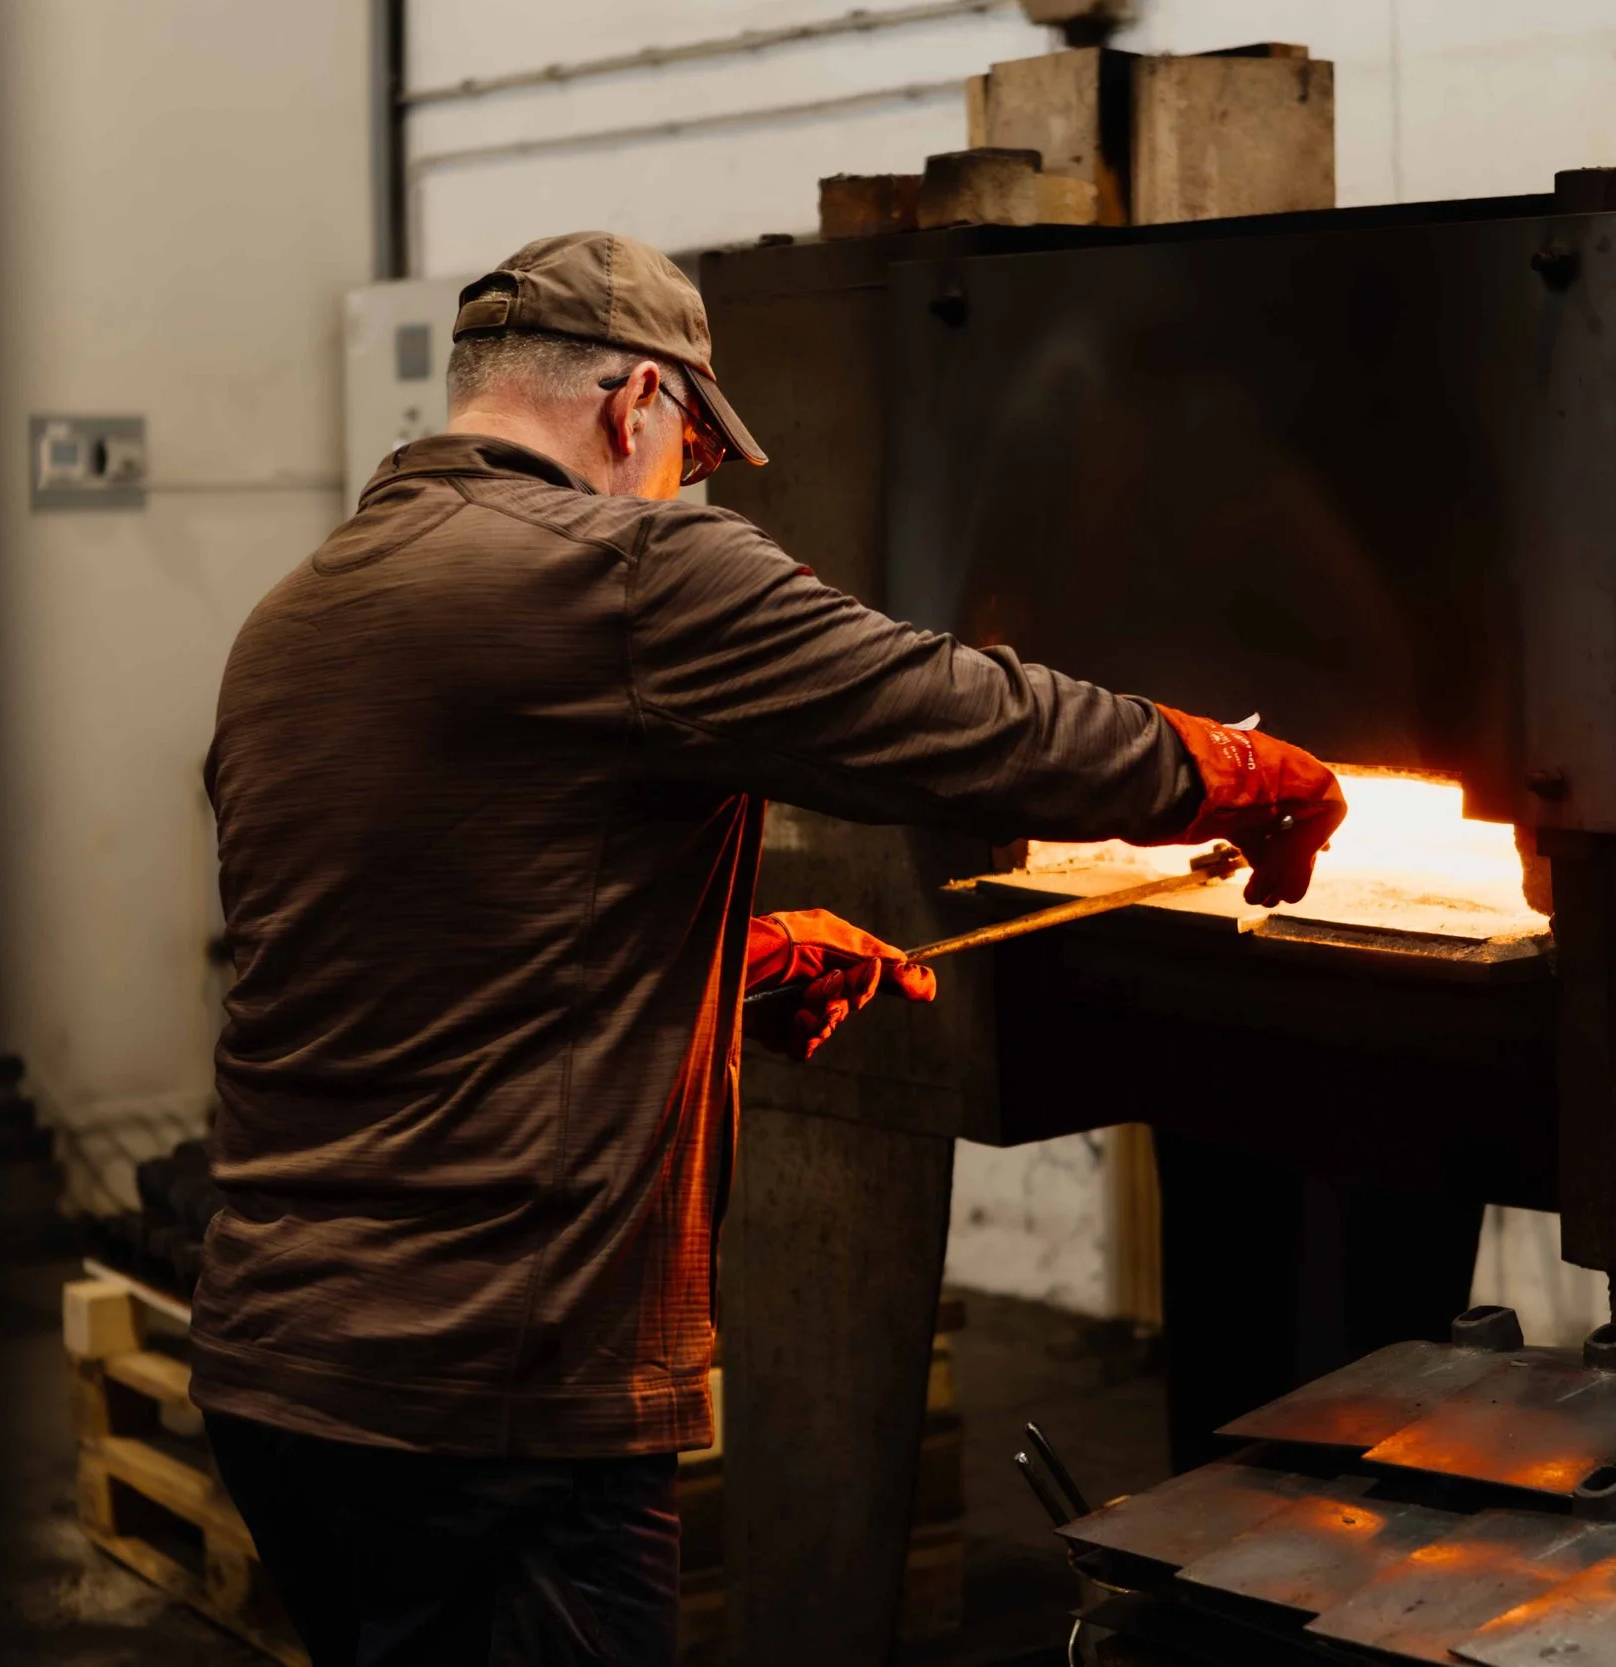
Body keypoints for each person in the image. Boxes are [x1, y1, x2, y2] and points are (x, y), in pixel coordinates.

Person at [192, 230, 1345, 1666]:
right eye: (697, 453)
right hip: (496, 1389)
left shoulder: (297, 617)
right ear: (640, 406)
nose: (691, 483)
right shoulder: (621, 572)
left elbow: (409, 944)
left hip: (279, 1370)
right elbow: (961, 718)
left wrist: (740, 956)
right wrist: (1237, 772)